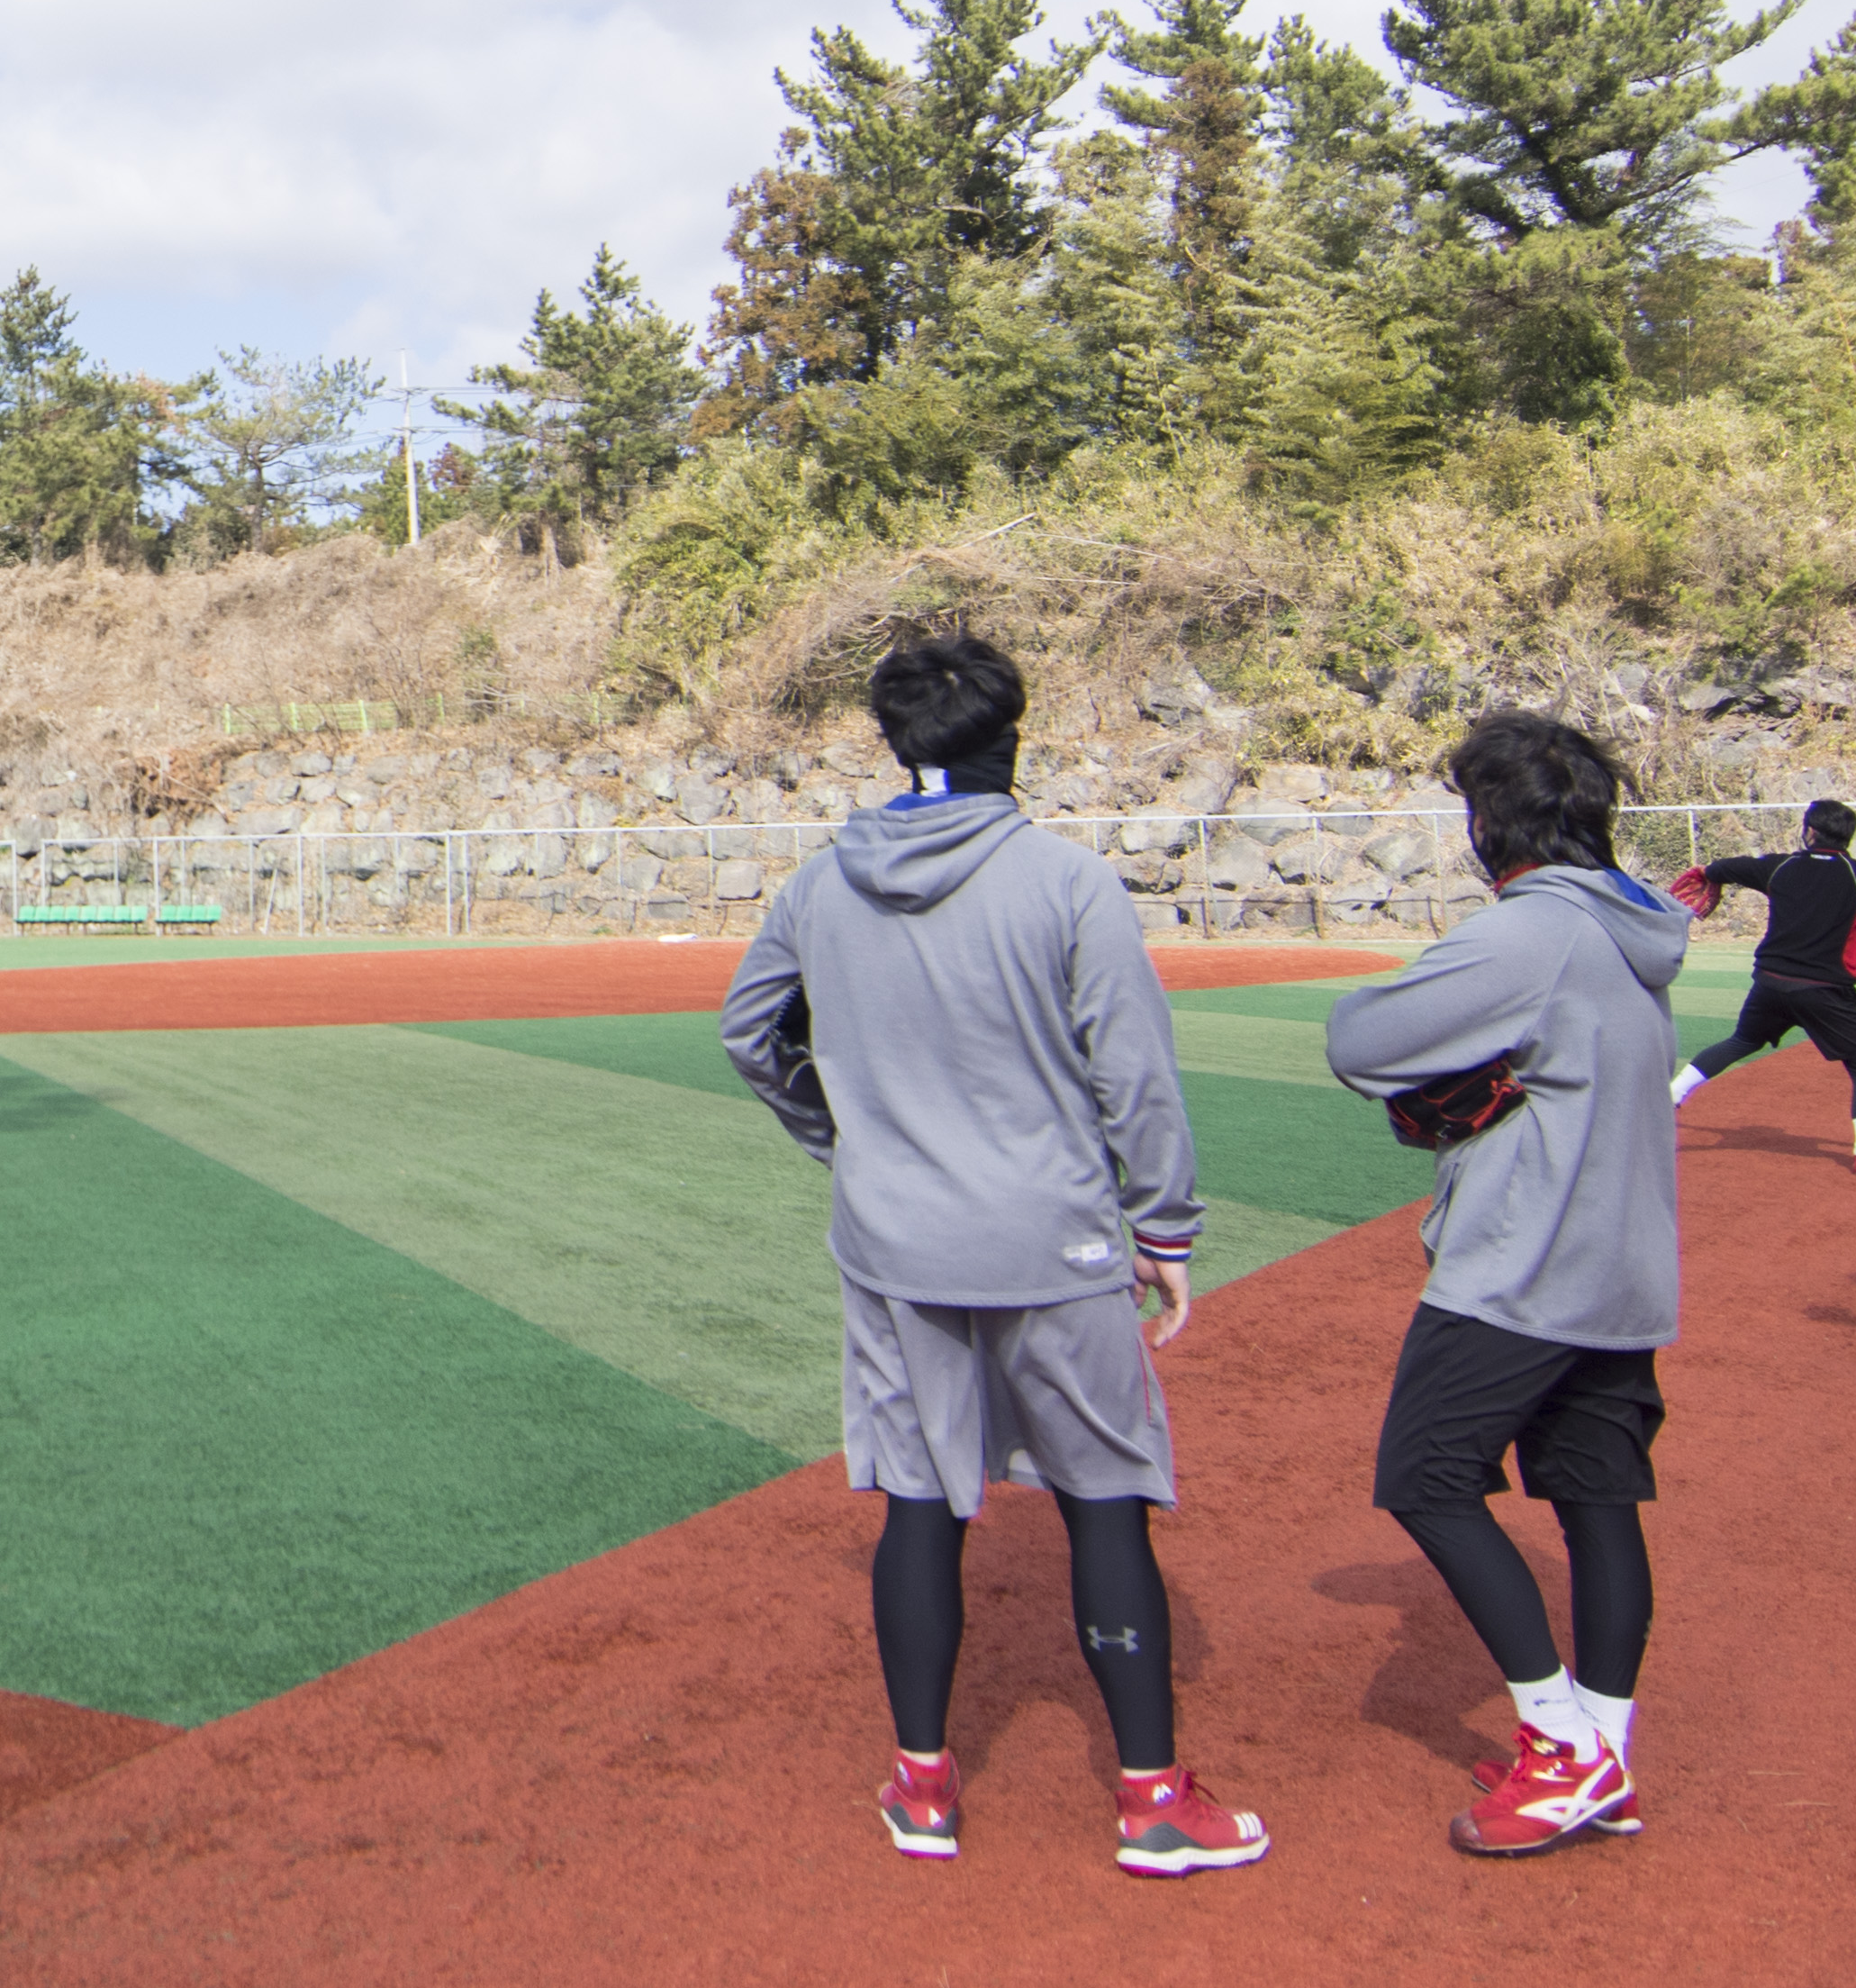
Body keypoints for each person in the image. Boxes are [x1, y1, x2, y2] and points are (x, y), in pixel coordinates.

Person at [722, 632, 1263, 1877]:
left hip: (893, 1238)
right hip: (1053, 1236)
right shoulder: (1065, 879)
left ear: (896, 741)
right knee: (1104, 1497)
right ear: (1013, 737)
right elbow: (1134, 1072)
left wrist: (841, 1137)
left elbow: (751, 1034)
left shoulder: (821, 884)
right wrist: (1163, 1224)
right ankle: (1150, 1802)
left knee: (917, 1499)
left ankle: (922, 1788)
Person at [1326, 708, 1690, 1860]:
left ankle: (1562, 1745)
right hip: (1621, 1264)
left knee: (1425, 1478)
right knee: (1596, 1503)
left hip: (1523, 1262)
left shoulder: (1533, 928)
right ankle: (1607, 1756)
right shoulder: (1635, 918)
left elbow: (1360, 1036)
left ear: (1491, 824)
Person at [1669, 801, 1856, 1172]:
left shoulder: (1779, 867)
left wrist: (1708, 874)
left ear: (1810, 831)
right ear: (1849, 836)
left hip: (1771, 983)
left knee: (1742, 1041)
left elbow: (1724, 867)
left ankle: (1670, 1096)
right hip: (1825, 991)